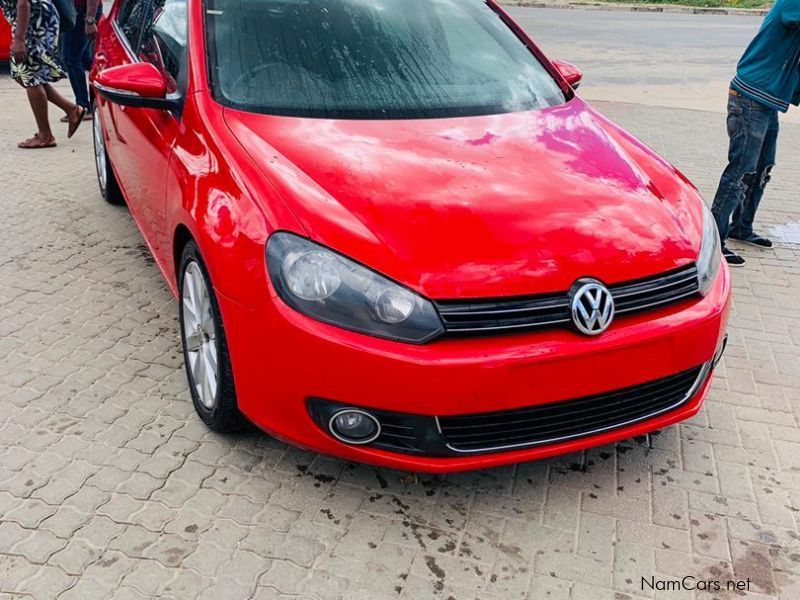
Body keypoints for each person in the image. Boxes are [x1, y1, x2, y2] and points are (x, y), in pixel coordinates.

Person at [711, 0, 800, 267]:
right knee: (741, 169)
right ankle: (715, 238)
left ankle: (742, 227)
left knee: (762, 167)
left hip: (767, 101)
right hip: (749, 98)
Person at [1, 0, 86, 148]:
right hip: (31, 18)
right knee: (20, 74)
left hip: (33, 20)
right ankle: (72, 110)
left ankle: (45, 135)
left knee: (30, 75)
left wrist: (20, 39)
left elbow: (23, 3)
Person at [60, 0, 100, 122]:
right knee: (84, 58)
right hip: (78, 12)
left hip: (82, 13)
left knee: (71, 58)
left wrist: (89, 20)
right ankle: (106, 93)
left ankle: (84, 107)